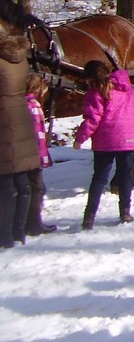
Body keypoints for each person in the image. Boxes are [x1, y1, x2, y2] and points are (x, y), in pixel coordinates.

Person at [74, 60, 134, 229]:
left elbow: (93, 118)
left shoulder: (96, 91)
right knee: (125, 175)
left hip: (105, 139)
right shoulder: (129, 89)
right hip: (128, 138)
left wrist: (80, 138)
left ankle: (89, 217)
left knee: (100, 177)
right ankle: (125, 212)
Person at [1, 29, 40, 248]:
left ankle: (4, 234)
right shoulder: (19, 59)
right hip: (21, 119)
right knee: (22, 181)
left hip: (4, 122)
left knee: (5, 182)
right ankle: (19, 231)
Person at [24, 74, 57, 235]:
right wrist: (43, 158)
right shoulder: (34, 106)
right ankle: (34, 224)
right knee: (37, 189)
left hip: (23, 157)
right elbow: (38, 136)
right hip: (34, 157)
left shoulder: (20, 103)